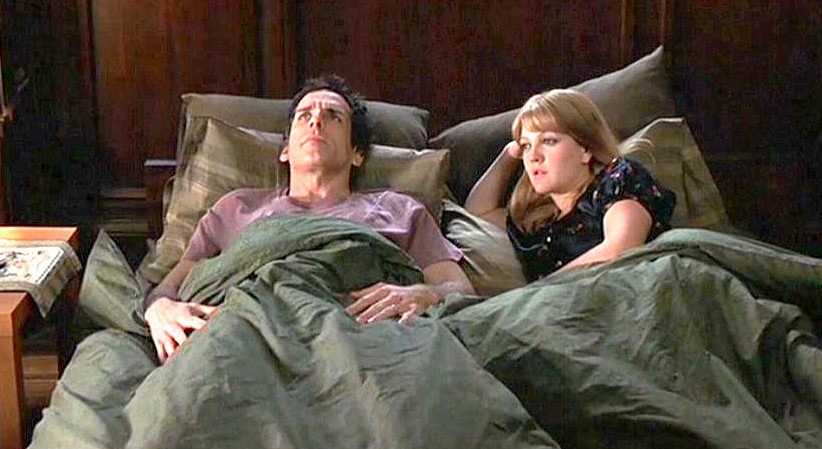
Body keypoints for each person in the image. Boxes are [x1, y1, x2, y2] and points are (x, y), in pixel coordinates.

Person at [144, 74, 476, 362]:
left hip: (364, 341)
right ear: (285, 150)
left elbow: (460, 289)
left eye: (333, 116)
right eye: (304, 116)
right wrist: (160, 309)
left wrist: (422, 294)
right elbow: (170, 286)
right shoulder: (236, 207)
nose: (316, 121)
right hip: (248, 340)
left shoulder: (399, 210)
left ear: (357, 153)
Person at [465, 88, 676, 282]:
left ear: (585, 149)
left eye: (548, 141)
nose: (534, 156)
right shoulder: (535, 221)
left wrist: (534, 292)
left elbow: (621, 248)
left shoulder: (616, 181)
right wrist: (510, 154)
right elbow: (476, 214)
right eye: (527, 145)